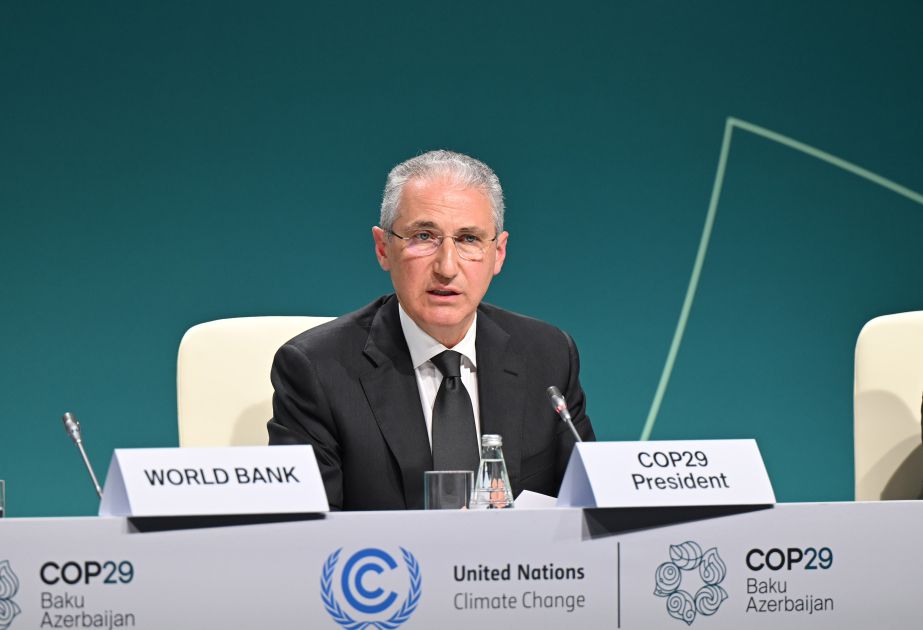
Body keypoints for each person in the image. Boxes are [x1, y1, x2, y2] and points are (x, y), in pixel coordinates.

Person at [268, 150, 594, 510]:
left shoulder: (548, 356)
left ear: (498, 253)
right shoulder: (316, 370)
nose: (446, 267)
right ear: (383, 248)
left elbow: (589, 508)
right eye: (424, 236)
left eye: (468, 239)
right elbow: (304, 531)